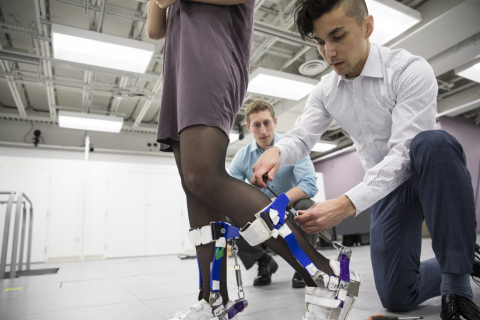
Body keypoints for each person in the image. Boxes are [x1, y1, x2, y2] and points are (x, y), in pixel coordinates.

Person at [251, 0, 480, 319]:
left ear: (368, 26)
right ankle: (466, 258)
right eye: (320, 42)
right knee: (398, 297)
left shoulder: (408, 69)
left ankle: (457, 289)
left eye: (338, 35)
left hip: (424, 170)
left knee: (433, 142)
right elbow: (302, 136)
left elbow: (404, 153)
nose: (329, 52)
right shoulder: (326, 90)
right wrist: (276, 151)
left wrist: (346, 203)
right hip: (385, 188)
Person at [146, 0, 361, 320]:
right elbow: (155, 28)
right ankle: (212, 298)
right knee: (196, 188)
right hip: (179, 67)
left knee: (202, 177)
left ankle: (323, 272)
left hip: (209, 56)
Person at [229, 99, 319, 289]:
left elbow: (309, 185)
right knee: (229, 215)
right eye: (256, 125)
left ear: (275, 122)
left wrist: (279, 201)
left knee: (307, 206)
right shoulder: (242, 157)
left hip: (290, 208)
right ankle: (264, 261)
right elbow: (230, 191)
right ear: (248, 127)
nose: (263, 131)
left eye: (266, 123)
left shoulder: (294, 148)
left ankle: (303, 264)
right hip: (259, 212)